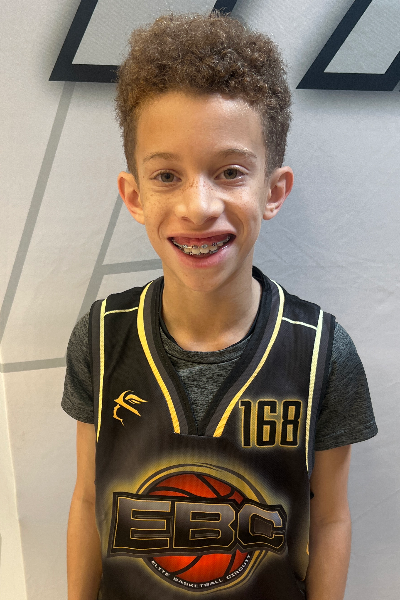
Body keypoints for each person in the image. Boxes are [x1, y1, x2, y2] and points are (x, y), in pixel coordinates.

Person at [62, 12, 377, 600]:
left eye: (230, 172)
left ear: (273, 191)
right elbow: (86, 500)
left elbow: (332, 518)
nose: (198, 206)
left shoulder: (321, 352)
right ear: (134, 194)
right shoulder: (102, 338)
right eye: (167, 175)